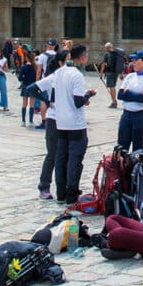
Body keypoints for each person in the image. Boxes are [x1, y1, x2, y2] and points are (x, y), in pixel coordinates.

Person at [52, 44, 97, 204]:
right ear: (82, 57)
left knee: (61, 157)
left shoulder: (58, 72)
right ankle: (71, 192)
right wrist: (88, 94)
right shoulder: (77, 75)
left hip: (61, 121)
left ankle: (61, 192)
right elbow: (78, 101)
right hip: (75, 123)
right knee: (74, 159)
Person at [33, 49, 66, 199]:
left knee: (65, 154)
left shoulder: (71, 77)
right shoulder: (53, 77)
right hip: (54, 120)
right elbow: (32, 88)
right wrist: (47, 100)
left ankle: (64, 185)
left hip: (67, 120)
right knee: (52, 154)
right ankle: (44, 185)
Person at [116, 50, 143, 152]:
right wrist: (137, 94)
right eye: (132, 60)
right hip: (127, 115)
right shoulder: (130, 76)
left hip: (142, 116)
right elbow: (120, 95)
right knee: (121, 148)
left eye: (135, 60)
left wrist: (128, 93)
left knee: (138, 150)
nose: (133, 63)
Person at [100, 42, 123, 109]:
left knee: (111, 87)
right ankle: (114, 101)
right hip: (116, 73)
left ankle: (114, 102)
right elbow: (121, 64)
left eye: (106, 48)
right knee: (113, 87)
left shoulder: (107, 54)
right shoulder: (117, 53)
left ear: (107, 47)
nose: (105, 49)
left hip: (109, 72)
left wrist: (101, 73)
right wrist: (121, 74)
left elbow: (103, 64)